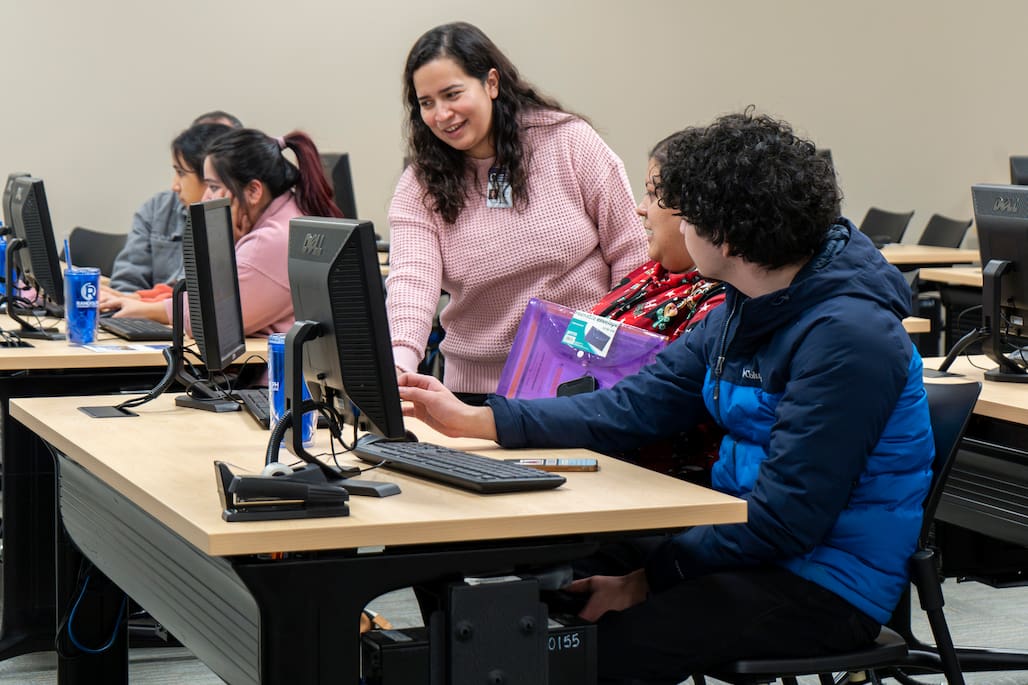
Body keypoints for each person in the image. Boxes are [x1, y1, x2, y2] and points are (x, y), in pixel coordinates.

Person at [396, 109, 934, 683]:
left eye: (686, 213)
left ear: (723, 235)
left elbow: (785, 521)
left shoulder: (848, 338)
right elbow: (631, 406)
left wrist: (648, 581)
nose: (666, 222)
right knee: (522, 563)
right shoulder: (744, 307)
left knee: (588, 654)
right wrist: (480, 421)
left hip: (825, 584)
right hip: (747, 539)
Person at [387, 21, 646, 401]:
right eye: (427, 103)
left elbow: (632, 254)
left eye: (452, 94)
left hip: (580, 384)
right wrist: (401, 363)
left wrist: (612, 359)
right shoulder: (421, 183)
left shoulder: (567, 141)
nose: (442, 115)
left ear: (491, 83)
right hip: (473, 395)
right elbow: (412, 279)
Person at [107, 128, 342, 337]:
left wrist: (143, 309)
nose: (206, 197)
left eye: (214, 187)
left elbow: (210, 321)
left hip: (265, 381)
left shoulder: (270, 241)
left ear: (253, 191)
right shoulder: (284, 218)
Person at [592, 130, 725, 341]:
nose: (641, 208)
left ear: (696, 209)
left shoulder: (720, 302)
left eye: (653, 194)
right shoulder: (649, 273)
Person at [108, 111, 243, 293]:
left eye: (181, 173)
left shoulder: (244, 227)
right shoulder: (156, 209)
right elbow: (126, 285)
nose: (175, 186)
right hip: (150, 318)